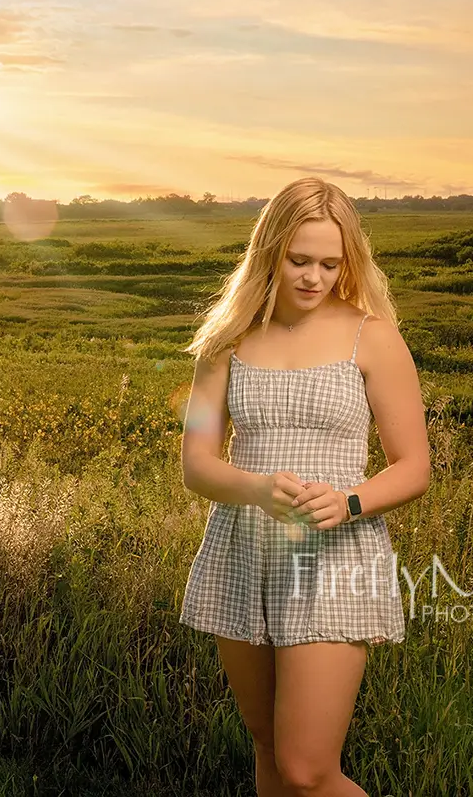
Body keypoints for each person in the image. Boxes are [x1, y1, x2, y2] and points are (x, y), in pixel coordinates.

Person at [178, 176, 431, 797]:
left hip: (335, 553)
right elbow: (197, 464)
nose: (314, 277)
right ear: (269, 252)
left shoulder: (372, 337)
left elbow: (414, 466)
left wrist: (349, 501)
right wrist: (259, 490)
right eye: (298, 261)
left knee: (306, 769)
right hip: (245, 551)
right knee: (267, 750)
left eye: (329, 263)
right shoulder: (227, 341)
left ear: (349, 261)